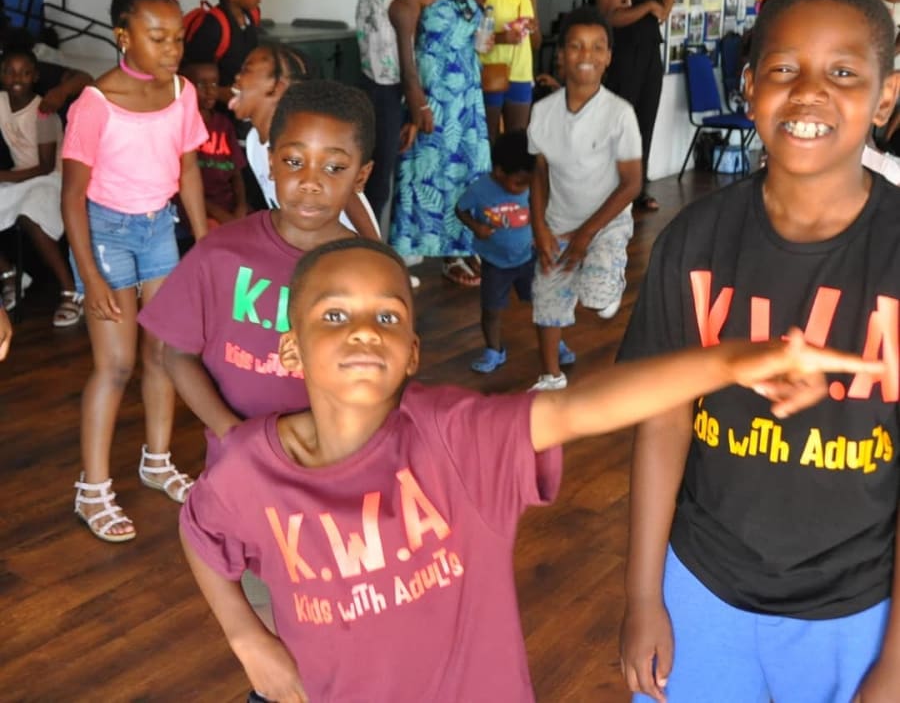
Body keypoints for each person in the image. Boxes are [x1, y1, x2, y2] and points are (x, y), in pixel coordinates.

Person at [178, 236, 881, 703]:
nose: (364, 330)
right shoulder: (248, 469)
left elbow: (583, 408)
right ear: (291, 350)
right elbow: (200, 532)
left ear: (414, 352)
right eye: (334, 316)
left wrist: (733, 361)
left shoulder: (457, 440)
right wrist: (248, 639)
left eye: (387, 318)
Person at [619, 0, 900, 703]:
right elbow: (662, 421)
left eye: (844, 73)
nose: (809, 93)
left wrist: (896, 661)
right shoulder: (693, 241)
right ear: (748, 87)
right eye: (783, 68)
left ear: (887, 97)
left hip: (856, 609)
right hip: (703, 583)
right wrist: (644, 595)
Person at [139, 79, 375, 468]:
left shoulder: (369, 272)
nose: (310, 183)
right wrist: (232, 433)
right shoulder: (220, 252)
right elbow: (177, 352)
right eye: (294, 161)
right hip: (236, 464)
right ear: (271, 162)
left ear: (361, 177)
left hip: (334, 463)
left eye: (334, 167)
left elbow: (379, 377)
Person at [62, 0, 209, 543]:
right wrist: (90, 277)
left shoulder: (181, 92)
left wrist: (202, 240)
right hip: (106, 234)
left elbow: (188, 170)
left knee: (164, 354)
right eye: (158, 38)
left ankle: (157, 461)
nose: (172, 49)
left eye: (177, 38)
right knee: (117, 363)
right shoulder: (96, 102)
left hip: (158, 229)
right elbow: (71, 197)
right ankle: (92, 490)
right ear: (124, 36)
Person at [527, 7, 642, 391]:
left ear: (608, 56)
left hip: (607, 222)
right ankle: (551, 376)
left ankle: (610, 283)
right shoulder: (542, 112)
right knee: (547, 299)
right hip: (559, 221)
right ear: (561, 54)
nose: (586, 55)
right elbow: (539, 173)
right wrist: (540, 228)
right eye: (576, 46)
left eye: (597, 47)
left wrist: (586, 235)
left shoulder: (620, 114)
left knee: (597, 299)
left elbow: (631, 184)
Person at [390, 0, 492, 287]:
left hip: (467, 93)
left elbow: (472, 32)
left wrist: (484, 31)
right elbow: (406, 53)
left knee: (468, 170)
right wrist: (418, 103)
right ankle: (437, 252)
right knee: (435, 174)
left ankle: (463, 247)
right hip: (434, 95)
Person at [229, 42, 381, 239]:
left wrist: (377, 251)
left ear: (276, 87)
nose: (237, 77)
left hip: (347, 248)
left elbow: (352, 199)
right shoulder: (253, 142)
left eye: (246, 70)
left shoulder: (307, 145)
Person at [456, 129, 569, 374]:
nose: (523, 189)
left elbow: (544, 210)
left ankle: (555, 343)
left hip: (528, 259)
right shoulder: (479, 190)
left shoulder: (532, 187)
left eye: (528, 183)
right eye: (519, 182)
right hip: (495, 264)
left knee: (543, 304)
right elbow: (460, 209)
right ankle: (494, 350)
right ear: (499, 172)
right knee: (491, 310)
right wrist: (476, 226)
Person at [595, 0, 674, 212]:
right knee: (620, 121)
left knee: (645, 121)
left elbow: (662, 12)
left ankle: (638, 187)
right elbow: (608, 18)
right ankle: (609, 185)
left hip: (650, 55)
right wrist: (647, 7)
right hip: (626, 56)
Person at [0, 45, 82, 326]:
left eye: (24, 73)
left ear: (35, 76)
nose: (16, 78)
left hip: (51, 179)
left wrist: (4, 177)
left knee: (30, 215)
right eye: (9, 72)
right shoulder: (1, 102)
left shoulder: (43, 111)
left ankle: (70, 289)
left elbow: (46, 167)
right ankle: (9, 275)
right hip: (19, 177)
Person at [355, 0, 410, 225]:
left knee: (368, 171)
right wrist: (418, 107)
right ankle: (372, 240)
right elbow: (408, 65)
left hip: (365, 89)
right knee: (381, 180)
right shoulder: (396, 3)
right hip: (388, 96)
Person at [473, 0, 542, 142]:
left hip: (521, 74)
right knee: (488, 139)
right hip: (491, 70)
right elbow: (472, 40)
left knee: (517, 140)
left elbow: (537, 43)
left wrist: (533, 28)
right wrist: (503, 38)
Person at [183, 0, 262, 100]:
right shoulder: (213, 27)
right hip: (221, 109)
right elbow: (193, 79)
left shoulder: (253, 14)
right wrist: (232, 94)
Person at [181, 60, 248, 231]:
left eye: (214, 84)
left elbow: (236, 173)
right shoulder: (181, 125)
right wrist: (222, 216)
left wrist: (241, 206)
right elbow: (184, 184)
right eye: (201, 85)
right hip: (197, 211)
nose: (210, 91)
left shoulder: (224, 124)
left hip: (228, 207)